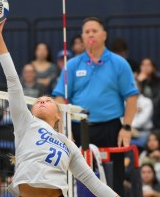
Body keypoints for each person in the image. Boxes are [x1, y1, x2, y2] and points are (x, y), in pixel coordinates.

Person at [0, 20, 119, 197]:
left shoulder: (69, 145)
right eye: (38, 101)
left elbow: (92, 182)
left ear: (58, 115)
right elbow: (13, 80)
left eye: (48, 100)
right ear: (30, 110)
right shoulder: (26, 123)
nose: (42, 101)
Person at [52, 17, 138, 195]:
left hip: (110, 128)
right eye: (87, 32)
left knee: (113, 180)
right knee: (77, 180)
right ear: (82, 37)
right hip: (78, 129)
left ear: (104, 35)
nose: (91, 34)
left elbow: (131, 97)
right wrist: (64, 127)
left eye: (94, 31)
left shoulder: (119, 63)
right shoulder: (73, 65)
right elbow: (60, 97)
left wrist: (127, 127)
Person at [137, 58, 160, 129]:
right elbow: (132, 97)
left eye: (148, 65)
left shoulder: (158, 81)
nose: (145, 67)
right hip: (138, 113)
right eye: (143, 65)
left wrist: (146, 107)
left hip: (154, 113)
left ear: (153, 68)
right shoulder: (136, 80)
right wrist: (138, 81)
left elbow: (158, 100)